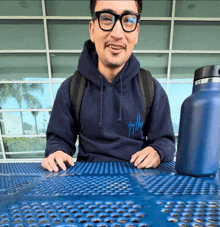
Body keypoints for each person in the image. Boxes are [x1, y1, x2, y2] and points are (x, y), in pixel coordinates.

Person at [42, 0, 175, 172]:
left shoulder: (150, 88)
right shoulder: (71, 88)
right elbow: (58, 140)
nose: (117, 33)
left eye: (128, 20)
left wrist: (157, 151)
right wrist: (56, 153)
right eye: (106, 18)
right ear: (92, 29)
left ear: (137, 33)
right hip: (86, 183)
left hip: (138, 184)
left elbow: (165, 140)